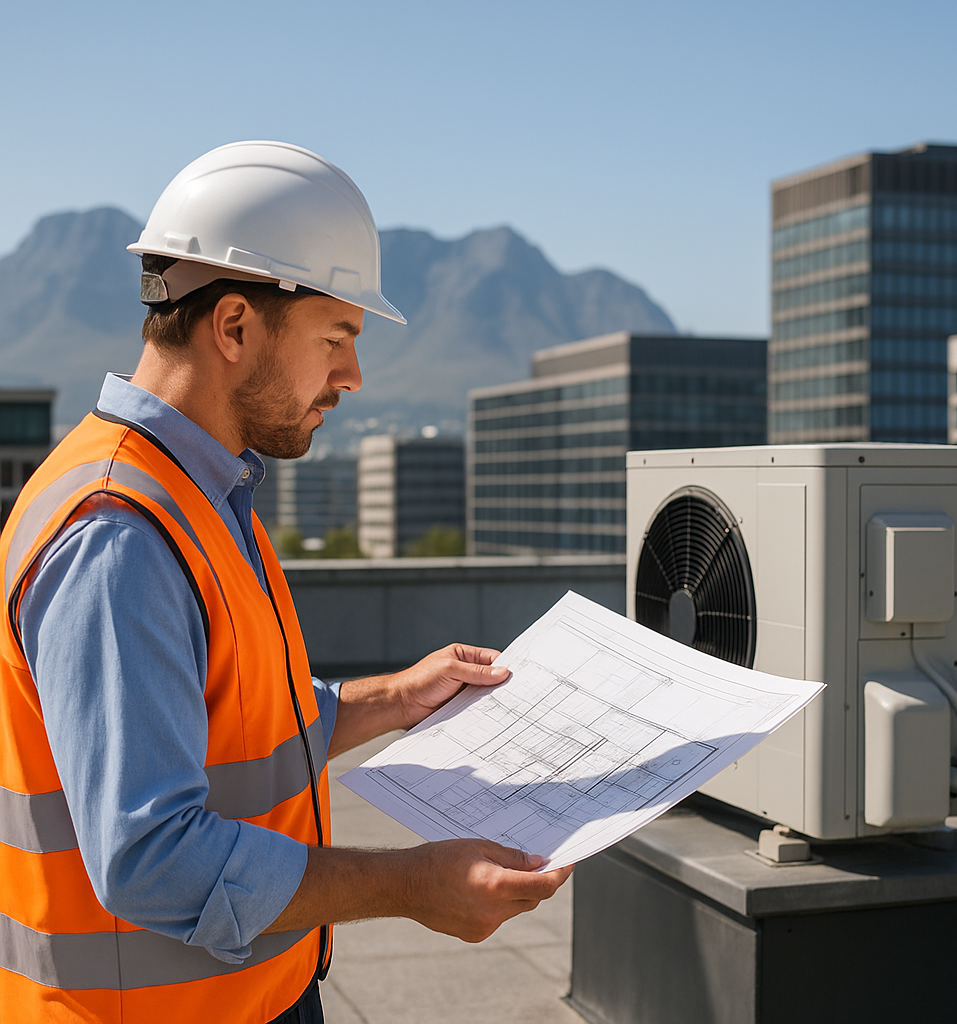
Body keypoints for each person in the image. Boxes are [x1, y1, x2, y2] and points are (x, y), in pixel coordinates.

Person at [0, 141, 572, 1024]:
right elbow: (150, 858)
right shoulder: (117, 536)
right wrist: (412, 883)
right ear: (234, 326)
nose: (352, 377)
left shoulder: (200, 492)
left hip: (254, 996)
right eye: (337, 338)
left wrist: (391, 698)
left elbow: (235, 727)